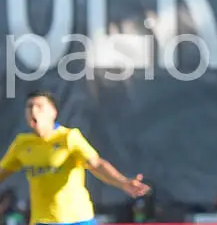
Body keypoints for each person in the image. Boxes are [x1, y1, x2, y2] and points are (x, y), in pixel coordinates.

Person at [0, 90, 150, 225]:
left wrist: (123, 182)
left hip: (79, 219)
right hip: (43, 221)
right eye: (29, 107)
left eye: (40, 106)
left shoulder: (69, 137)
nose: (33, 110)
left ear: (53, 112)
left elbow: (96, 164)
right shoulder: (21, 143)